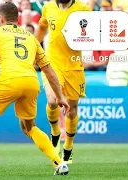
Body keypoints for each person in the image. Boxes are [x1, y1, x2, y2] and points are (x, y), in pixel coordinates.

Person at [0, 2, 70, 175]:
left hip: (9, 79)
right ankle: (58, 162)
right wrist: (60, 97)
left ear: (0, 18)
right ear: (17, 19)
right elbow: (49, 70)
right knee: (29, 128)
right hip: (31, 82)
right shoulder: (31, 37)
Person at [35, 0, 91, 164]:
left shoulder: (83, 9)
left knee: (72, 109)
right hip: (52, 63)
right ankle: (55, 132)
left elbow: (93, 34)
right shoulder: (48, 7)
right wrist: (33, 46)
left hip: (74, 65)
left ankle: (68, 146)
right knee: (52, 100)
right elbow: (42, 27)